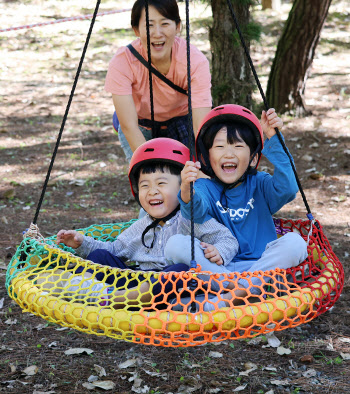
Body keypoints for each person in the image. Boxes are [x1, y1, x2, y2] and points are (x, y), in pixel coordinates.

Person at [55, 138, 238, 309]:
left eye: (161, 183)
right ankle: (82, 288)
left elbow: (227, 239)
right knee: (101, 257)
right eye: (145, 185)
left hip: (167, 290)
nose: (152, 192)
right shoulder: (141, 226)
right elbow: (114, 250)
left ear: (183, 186)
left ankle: (111, 298)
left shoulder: (191, 219)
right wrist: (81, 243)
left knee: (180, 272)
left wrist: (219, 251)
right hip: (137, 284)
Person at [170, 104, 308, 309]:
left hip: (261, 268)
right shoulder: (204, 187)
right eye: (219, 146)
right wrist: (186, 191)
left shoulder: (260, 184)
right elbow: (194, 212)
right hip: (219, 271)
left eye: (237, 146)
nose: (228, 153)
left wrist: (275, 141)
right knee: (176, 244)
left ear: (253, 158)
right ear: (207, 157)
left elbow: (288, 188)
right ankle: (242, 294)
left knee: (296, 243)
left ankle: (223, 300)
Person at [105, 0, 212, 161]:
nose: (157, 33)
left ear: (177, 27)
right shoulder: (122, 62)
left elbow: (200, 126)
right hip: (140, 124)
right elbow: (129, 126)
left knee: (190, 176)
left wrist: (203, 165)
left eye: (164, 23)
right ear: (136, 30)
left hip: (181, 120)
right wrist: (151, 165)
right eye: (149, 25)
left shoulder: (194, 60)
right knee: (151, 178)